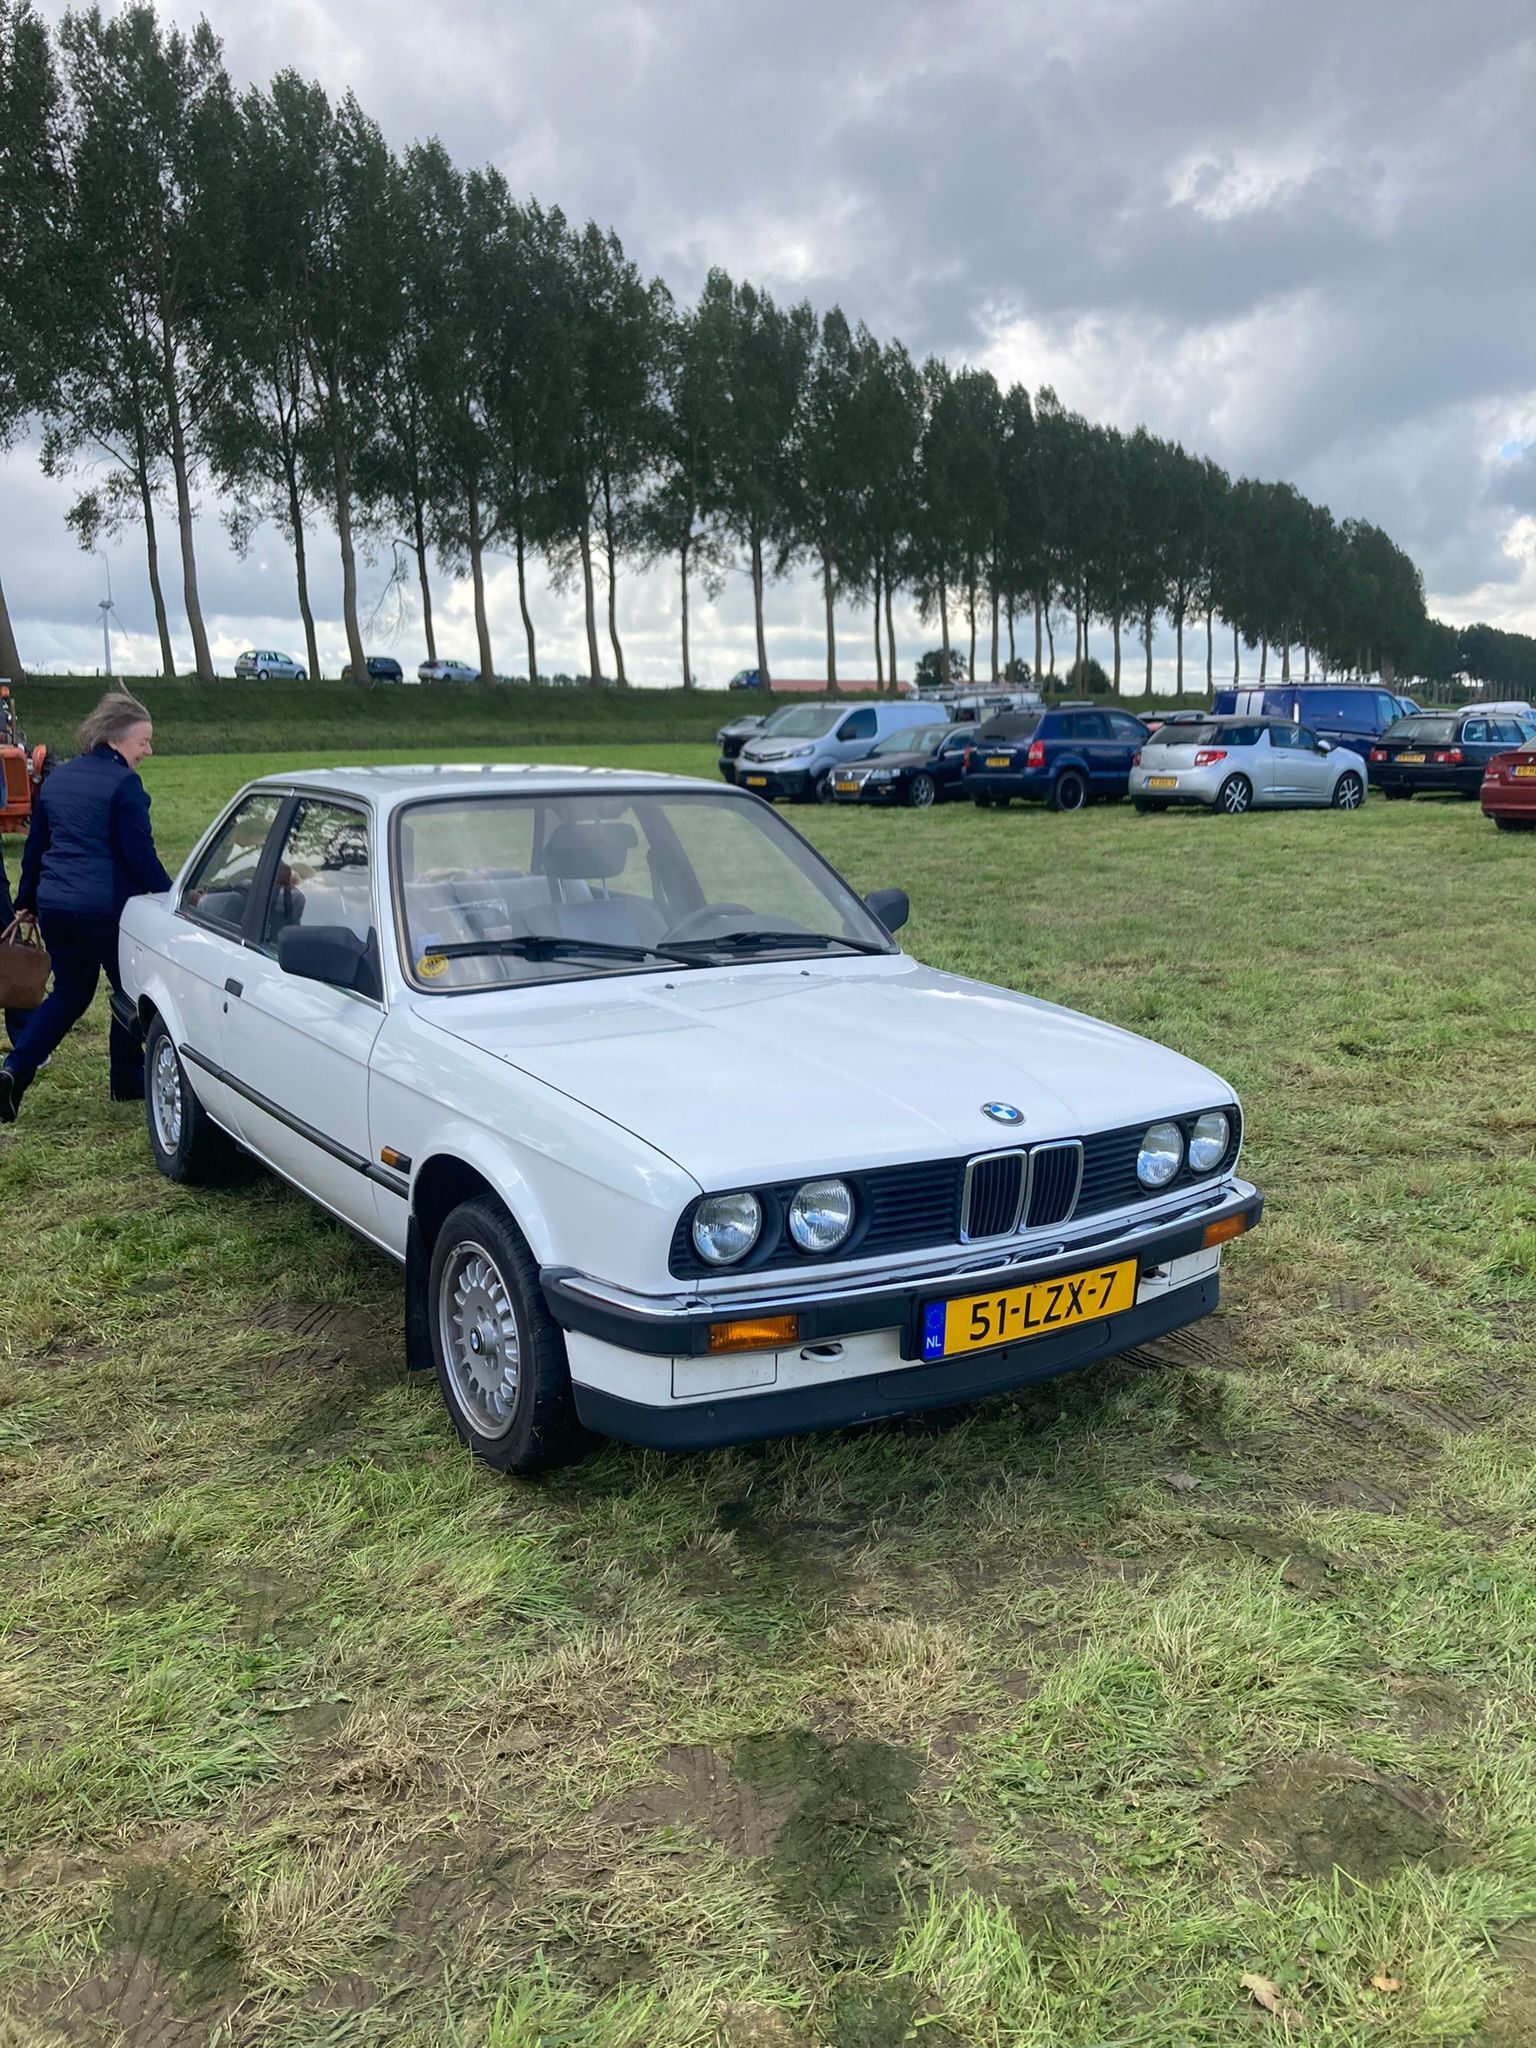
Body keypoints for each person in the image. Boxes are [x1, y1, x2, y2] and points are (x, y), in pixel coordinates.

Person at [0, 693, 172, 1124]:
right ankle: (127, 1078)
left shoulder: (57, 780)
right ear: (115, 739)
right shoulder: (125, 786)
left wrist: (27, 902)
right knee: (130, 990)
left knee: (70, 993)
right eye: (143, 742)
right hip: (107, 910)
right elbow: (140, 856)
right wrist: (172, 898)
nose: (148, 751)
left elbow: (36, 848)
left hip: (56, 906)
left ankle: (14, 1070)